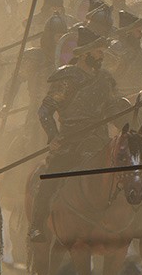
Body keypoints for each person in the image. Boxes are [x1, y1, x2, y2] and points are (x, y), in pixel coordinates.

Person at [30, 26, 125, 243]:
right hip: (71, 142)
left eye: (102, 51)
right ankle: (37, 225)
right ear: (84, 53)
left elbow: (112, 110)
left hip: (100, 141)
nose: (101, 56)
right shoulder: (68, 78)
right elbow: (45, 111)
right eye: (98, 51)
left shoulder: (105, 79)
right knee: (50, 179)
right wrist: (53, 137)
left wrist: (127, 122)